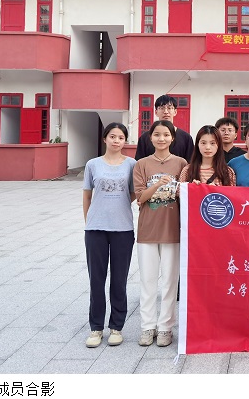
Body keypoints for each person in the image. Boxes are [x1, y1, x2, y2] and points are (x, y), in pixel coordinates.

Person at [133, 120, 188, 347]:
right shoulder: (141, 164)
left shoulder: (181, 163)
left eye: (166, 134)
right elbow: (140, 198)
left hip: (173, 230)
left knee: (169, 282)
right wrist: (157, 185)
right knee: (147, 281)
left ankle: (165, 327)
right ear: (150, 138)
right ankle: (148, 326)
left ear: (172, 138)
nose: (161, 138)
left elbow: (185, 195)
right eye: (157, 134)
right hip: (147, 230)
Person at [82, 123, 136, 348]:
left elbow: (133, 192)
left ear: (125, 141)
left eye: (120, 137)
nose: (116, 140)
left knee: (119, 280)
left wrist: (118, 205)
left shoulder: (132, 164)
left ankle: (116, 327)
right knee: (96, 280)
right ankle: (96, 328)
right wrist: (90, 221)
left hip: (123, 228)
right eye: (112, 136)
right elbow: (87, 195)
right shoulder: (92, 164)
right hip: (96, 229)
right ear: (105, 139)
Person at [135, 95, 194, 161]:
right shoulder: (144, 138)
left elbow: (190, 163)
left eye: (169, 108)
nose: (165, 112)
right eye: (162, 108)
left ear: (175, 112)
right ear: (156, 112)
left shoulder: (186, 138)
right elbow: (139, 163)